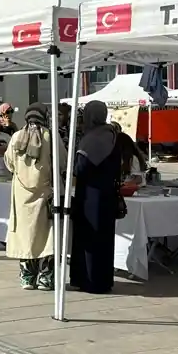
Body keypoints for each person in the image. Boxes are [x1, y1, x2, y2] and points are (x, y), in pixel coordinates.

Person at [4, 103, 65, 291]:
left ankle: (27, 277)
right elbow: (62, 162)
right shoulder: (51, 136)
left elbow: (9, 163)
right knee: (47, 235)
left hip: (22, 196)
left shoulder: (16, 136)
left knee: (25, 234)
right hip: (45, 193)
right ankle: (45, 278)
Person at [69, 100, 123, 294]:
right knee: (104, 240)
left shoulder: (93, 138)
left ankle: (88, 280)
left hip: (91, 195)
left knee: (89, 238)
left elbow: (81, 168)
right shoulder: (112, 135)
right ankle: (102, 280)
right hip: (107, 194)